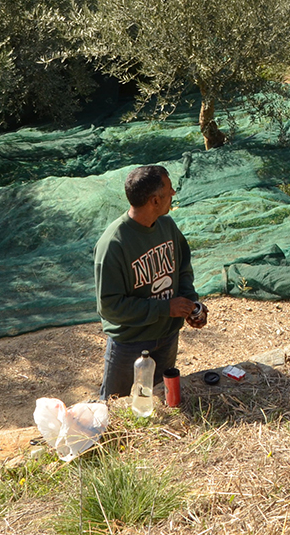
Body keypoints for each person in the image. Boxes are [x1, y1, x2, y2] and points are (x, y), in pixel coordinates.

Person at [94, 164, 208, 401]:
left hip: (167, 337)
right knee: (115, 410)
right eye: (169, 190)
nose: (173, 194)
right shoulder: (114, 244)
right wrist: (166, 308)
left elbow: (183, 270)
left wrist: (190, 305)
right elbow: (110, 307)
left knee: (156, 403)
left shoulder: (167, 226)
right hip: (130, 345)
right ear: (155, 201)